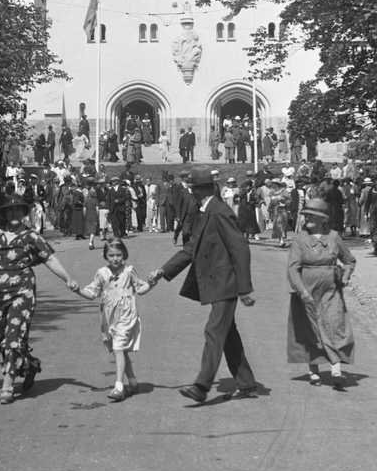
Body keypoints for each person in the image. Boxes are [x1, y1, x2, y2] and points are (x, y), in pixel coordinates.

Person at [148, 164, 258, 403]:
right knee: (227, 334)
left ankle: (201, 385)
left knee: (214, 330)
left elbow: (240, 249)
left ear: (198, 191)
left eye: (192, 188)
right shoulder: (208, 211)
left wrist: (244, 288)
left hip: (225, 283)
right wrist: (164, 270)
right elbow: (191, 248)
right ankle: (247, 383)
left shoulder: (219, 211)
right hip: (218, 283)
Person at [0, 193, 77, 403]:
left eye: (18, 210)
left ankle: (7, 386)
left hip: (23, 291)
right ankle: (30, 366)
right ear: (5, 213)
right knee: (0, 337)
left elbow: (50, 259)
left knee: (13, 337)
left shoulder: (31, 236)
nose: (14, 213)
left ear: (24, 213)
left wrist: (67, 278)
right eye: (10, 210)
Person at [287, 194, 356, 390]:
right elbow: (292, 267)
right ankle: (314, 370)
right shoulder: (300, 239)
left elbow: (349, 260)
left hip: (331, 291)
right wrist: (302, 291)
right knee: (311, 330)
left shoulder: (334, 237)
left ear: (322, 219)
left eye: (311, 215)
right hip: (306, 292)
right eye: (305, 215)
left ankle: (336, 371)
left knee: (335, 325)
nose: (306, 218)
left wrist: (346, 275)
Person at [75, 238, 151, 401]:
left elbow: (140, 288)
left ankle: (118, 387)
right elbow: (92, 293)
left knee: (118, 347)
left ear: (124, 254)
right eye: (111, 255)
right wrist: (78, 290)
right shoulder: (101, 273)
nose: (115, 258)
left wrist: (152, 283)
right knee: (120, 350)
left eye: (119, 255)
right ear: (105, 256)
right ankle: (133, 382)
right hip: (109, 316)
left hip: (127, 314)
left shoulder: (129, 271)